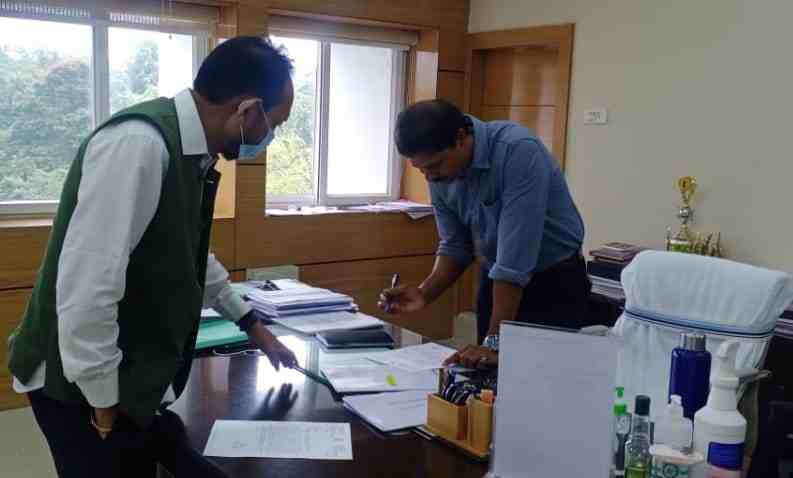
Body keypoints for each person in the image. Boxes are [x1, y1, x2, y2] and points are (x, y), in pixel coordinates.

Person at [6, 36, 297, 478]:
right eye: (274, 125)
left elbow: (191, 258)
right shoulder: (139, 144)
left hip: (115, 375)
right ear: (248, 110)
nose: (269, 140)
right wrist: (105, 403)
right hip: (76, 382)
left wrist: (255, 328)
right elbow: (88, 287)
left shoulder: (192, 154)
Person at [378, 99, 589, 369]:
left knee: (544, 380)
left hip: (553, 283)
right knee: (486, 378)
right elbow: (455, 245)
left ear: (460, 137)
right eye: (422, 170)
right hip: (497, 281)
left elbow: (514, 260)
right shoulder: (440, 173)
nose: (429, 177)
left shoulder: (517, 151)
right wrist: (424, 293)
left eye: (434, 166)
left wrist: (494, 343)